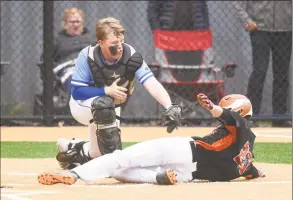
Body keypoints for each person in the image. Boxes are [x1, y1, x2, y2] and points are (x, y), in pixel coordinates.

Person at [38, 93, 265, 186]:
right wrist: (256, 172)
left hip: (183, 150)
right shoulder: (245, 158)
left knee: (120, 158)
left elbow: (229, 117)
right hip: (189, 174)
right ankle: (157, 178)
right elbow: (250, 168)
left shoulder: (239, 124)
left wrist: (213, 108)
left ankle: (74, 173)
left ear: (239, 114)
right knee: (118, 172)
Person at [54, 17, 182, 170]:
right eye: (114, 44)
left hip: (108, 106)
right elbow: (76, 92)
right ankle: (115, 167)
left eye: (121, 42)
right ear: (100, 43)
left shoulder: (130, 55)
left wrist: (169, 105)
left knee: (98, 154)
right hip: (82, 106)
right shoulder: (87, 55)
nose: (119, 47)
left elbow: (151, 82)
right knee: (105, 106)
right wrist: (106, 90)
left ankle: (72, 147)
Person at [231, 1, 292, 127]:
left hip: (285, 30)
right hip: (260, 30)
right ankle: (250, 116)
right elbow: (237, 3)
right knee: (259, 72)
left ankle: (280, 118)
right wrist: (247, 21)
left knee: (282, 75)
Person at [35, 8, 96, 115]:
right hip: (67, 67)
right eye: (72, 22)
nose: (75, 25)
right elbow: (45, 60)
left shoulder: (91, 38)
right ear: (65, 24)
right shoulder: (57, 39)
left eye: (78, 22)